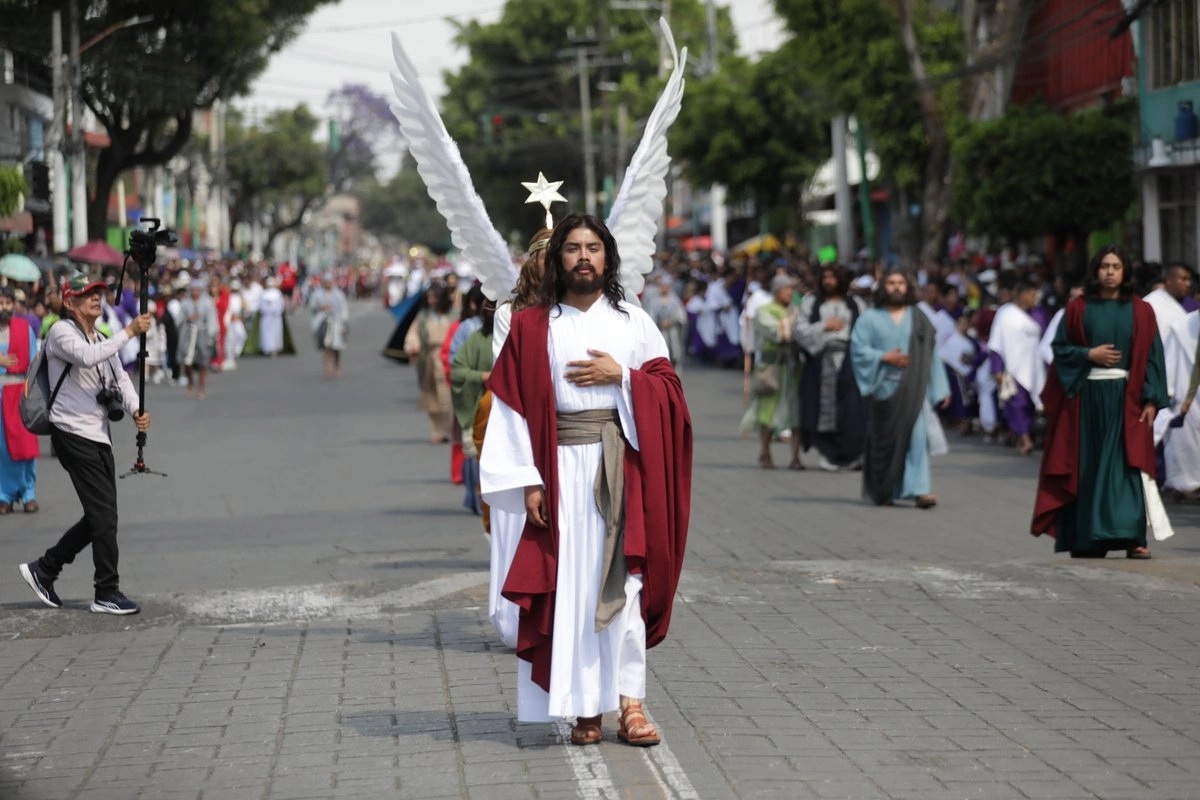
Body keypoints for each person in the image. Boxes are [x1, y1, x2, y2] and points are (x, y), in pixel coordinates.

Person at [479, 213, 692, 747]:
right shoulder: (531, 328)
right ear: (557, 259)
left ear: (607, 257)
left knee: (626, 582)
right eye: (572, 248)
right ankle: (584, 709)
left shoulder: (633, 322)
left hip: (622, 466)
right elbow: (510, 410)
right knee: (572, 587)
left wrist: (622, 376)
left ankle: (632, 703)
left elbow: (669, 390)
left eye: (592, 247)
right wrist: (529, 480)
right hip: (559, 470)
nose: (582, 257)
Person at [18, 273, 152, 614]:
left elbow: (120, 378)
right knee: (104, 515)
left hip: (98, 434)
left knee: (101, 515)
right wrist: (130, 332)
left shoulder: (102, 336)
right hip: (72, 433)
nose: (97, 298)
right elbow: (87, 357)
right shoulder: (61, 333)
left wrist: (135, 407)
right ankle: (106, 591)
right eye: (87, 294)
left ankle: (45, 568)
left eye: (99, 293)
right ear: (69, 302)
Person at [1032, 245, 1169, 559]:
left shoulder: (1140, 310)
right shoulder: (1079, 308)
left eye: (1116, 266)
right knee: (1088, 466)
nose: (1110, 272)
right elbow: (1061, 350)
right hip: (1086, 399)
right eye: (1105, 266)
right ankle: (1088, 539)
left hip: (1127, 399)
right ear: (1095, 271)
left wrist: (1152, 399)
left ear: (1125, 272)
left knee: (1127, 466)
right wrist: (1088, 354)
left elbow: (1152, 356)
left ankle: (1132, 537)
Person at [483, 228, 552, 649]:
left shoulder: (574, 307)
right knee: (516, 519)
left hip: (561, 427)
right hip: (519, 421)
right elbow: (504, 371)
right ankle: (514, 615)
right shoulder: (509, 312)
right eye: (543, 257)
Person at [850, 270, 950, 508]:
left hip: (913, 389)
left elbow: (931, 355)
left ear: (908, 287)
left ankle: (920, 490)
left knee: (917, 438)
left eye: (901, 283)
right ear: (883, 287)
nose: (896, 287)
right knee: (885, 442)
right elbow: (857, 349)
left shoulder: (918, 318)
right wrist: (883, 356)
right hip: (882, 388)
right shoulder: (869, 318)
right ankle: (885, 489)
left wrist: (940, 389)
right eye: (892, 283)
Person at [795, 265, 867, 471]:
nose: (828, 281)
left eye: (832, 277)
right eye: (824, 277)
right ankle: (828, 453)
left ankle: (852, 455)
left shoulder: (857, 304)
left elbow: (867, 330)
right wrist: (823, 326)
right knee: (820, 407)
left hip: (851, 361)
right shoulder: (811, 303)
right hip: (821, 360)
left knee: (852, 409)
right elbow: (799, 331)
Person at [741, 274, 802, 469]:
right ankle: (765, 452)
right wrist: (795, 326)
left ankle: (795, 456)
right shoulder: (764, 311)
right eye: (786, 289)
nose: (790, 293)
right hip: (771, 368)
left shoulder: (796, 311)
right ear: (776, 291)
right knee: (766, 411)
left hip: (792, 368)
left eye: (792, 289)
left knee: (795, 411)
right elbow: (778, 333)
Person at [987, 281, 1046, 456]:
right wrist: (996, 369)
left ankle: (1028, 437)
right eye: (1032, 295)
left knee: (1032, 405)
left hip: (1035, 368)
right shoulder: (1005, 314)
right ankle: (1025, 439)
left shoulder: (1039, 313)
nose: (1035, 299)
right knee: (1016, 404)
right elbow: (996, 343)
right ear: (1022, 294)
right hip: (1012, 368)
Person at [1, 286, 40, 513]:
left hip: (19, 394)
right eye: (0, 303)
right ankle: (3, 495)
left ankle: (28, 493)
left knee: (26, 446)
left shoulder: (24, 329)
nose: (4, 307)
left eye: (7, 303)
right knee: (1, 449)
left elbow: (34, 364)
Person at [404, 281, 455, 443]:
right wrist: (413, 346)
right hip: (430, 357)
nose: (431, 300)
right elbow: (413, 334)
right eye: (429, 297)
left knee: (447, 396)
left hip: (449, 356)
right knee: (431, 397)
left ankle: (448, 429)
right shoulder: (424, 316)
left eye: (434, 297)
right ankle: (436, 431)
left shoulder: (453, 314)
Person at [177, 279, 219, 399]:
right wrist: (187, 318)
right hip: (188, 332)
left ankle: (201, 387)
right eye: (193, 290)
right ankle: (190, 381)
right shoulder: (185, 303)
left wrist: (211, 336)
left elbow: (212, 320)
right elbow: (178, 319)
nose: (195, 292)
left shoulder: (207, 302)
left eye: (197, 290)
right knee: (187, 360)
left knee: (203, 362)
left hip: (202, 332)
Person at [308, 272, 349, 379]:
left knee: (336, 346)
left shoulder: (339, 294)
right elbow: (312, 306)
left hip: (336, 321)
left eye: (329, 282)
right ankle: (327, 366)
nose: (328, 284)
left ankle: (337, 365)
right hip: (324, 321)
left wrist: (344, 321)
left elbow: (344, 308)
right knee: (326, 345)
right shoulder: (318, 294)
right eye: (326, 282)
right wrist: (321, 307)